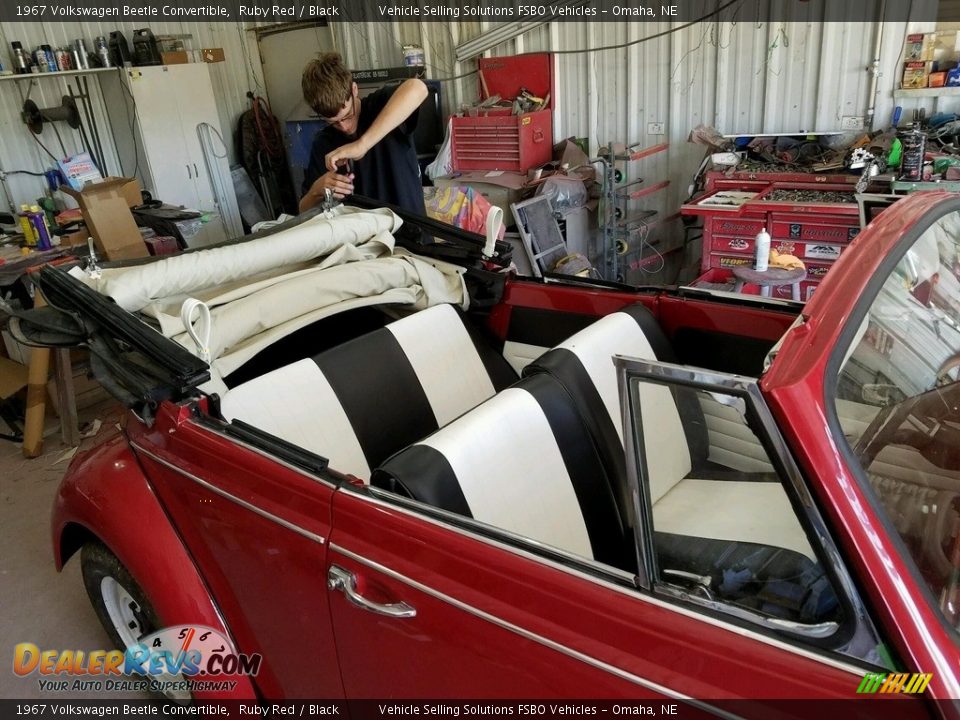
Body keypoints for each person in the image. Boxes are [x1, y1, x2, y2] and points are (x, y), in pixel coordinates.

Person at [299, 53, 428, 215]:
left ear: (354, 90)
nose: (344, 126)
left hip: (410, 232)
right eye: (333, 122)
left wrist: (362, 145)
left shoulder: (381, 105)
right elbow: (303, 209)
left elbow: (418, 88)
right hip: (365, 238)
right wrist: (316, 190)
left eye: (347, 116)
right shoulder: (323, 142)